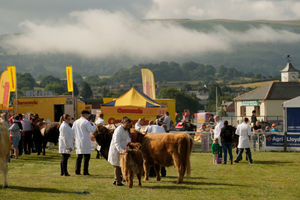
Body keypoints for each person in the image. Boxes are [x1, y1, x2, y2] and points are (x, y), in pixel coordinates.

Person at [108, 117, 132, 186]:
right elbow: (116, 142)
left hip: (123, 149)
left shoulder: (126, 130)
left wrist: (129, 145)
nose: (128, 126)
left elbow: (128, 139)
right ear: (123, 123)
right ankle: (118, 181)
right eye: (127, 125)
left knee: (120, 165)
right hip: (117, 150)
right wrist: (121, 150)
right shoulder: (118, 130)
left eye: (129, 125)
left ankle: (116, 180)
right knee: (117, 166)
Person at [73, 110, 96, 175]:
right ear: (85, 115)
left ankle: (77, 171)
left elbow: (73, 130)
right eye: (88, 115)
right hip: (85, 141)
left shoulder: (75, 122)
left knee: (79, 157)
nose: (88, 116)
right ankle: (85, 171)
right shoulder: (86, 122)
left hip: (78, 141)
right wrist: (94, 125)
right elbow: (91, 129)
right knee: (86, 157)